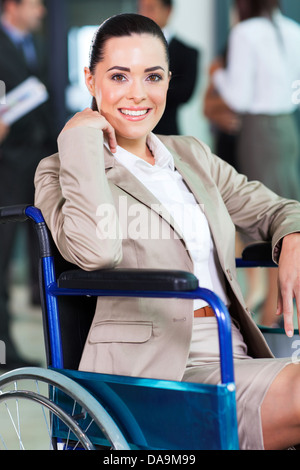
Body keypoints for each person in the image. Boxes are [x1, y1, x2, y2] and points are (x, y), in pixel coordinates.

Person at [34, 13, 300, 450]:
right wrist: (80, 138)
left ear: (168, 81)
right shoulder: (61, 168)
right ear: (90, 79)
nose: (137, 93)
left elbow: (276, 207)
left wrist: (292, 237)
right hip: (155, 370)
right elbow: (96, 251)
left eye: (152, 76)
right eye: (118, 76)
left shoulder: (190, 154)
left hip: (232, 346)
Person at [211, 0, 300, 327]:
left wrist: (218, 74)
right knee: (287, 213)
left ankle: (274, 318)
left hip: (259, 130)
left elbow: (237, 97)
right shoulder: (294, 30)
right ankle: (278, 313)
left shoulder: (245, 32)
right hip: (288, 128)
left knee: (267, 220)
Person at [0, 0, 57, 368]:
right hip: (5, 166)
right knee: (1, 259)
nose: (42, 11)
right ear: (12, 6)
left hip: (33, 166)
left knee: (40, 249)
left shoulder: (34, 45)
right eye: (35, 3)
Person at [137, 0, 199, 135]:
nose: (144, 14)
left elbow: (185, 93)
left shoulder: (187, 52)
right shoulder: (130, 47)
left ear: (168, 10)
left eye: (151, 8)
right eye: (142, 8)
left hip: (167, 132)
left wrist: (145, 85)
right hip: (130, 133)